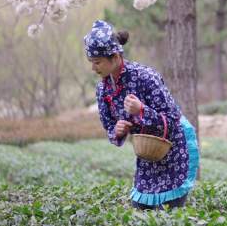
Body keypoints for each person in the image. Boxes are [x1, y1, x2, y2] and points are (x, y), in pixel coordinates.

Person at [84, 20, 199, 210]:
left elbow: (171, 120)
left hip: (175, 149)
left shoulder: (145, 76)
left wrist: (142, 110)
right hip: (148, 155)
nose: (93, 68)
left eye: (97, 62)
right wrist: (118, 130)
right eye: (91, 63)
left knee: (168, 213)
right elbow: (110, 128)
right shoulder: (102, 90)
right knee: (140, 208)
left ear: (115, 57)